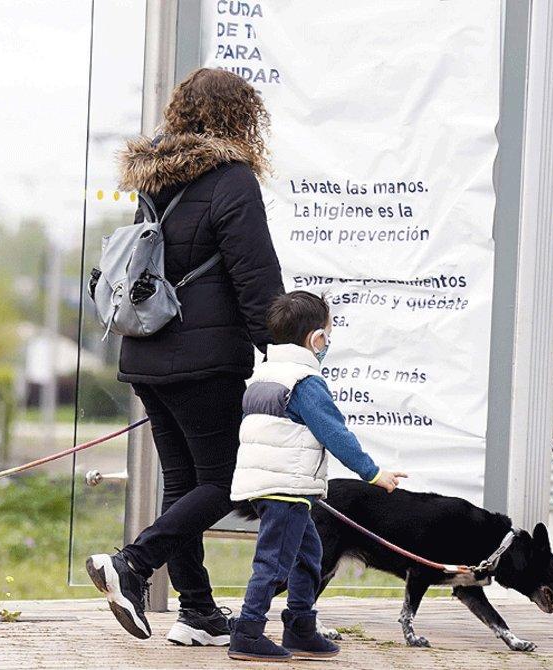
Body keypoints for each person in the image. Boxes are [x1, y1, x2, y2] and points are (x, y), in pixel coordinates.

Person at [85, 68, 285, 646]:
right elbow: (256, 277)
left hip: (146, 353)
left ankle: (196, 610)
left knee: (184, 481)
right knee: (223, 481)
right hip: (205, 358)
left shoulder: (157, 180)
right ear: (241, 117)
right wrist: (283, 352)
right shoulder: (233, 180)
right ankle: (133, 564)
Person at [227, 291, 408, 662]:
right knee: (274, 561)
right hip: (286, 487)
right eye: (328, 334)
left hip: (268, 484)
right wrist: (373, 474)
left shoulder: (264, 374)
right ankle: (247, 632)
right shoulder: (305, 382)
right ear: (316, 339)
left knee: (310, 554)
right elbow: (335, 433)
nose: (328, 342)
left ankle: (300, 628)